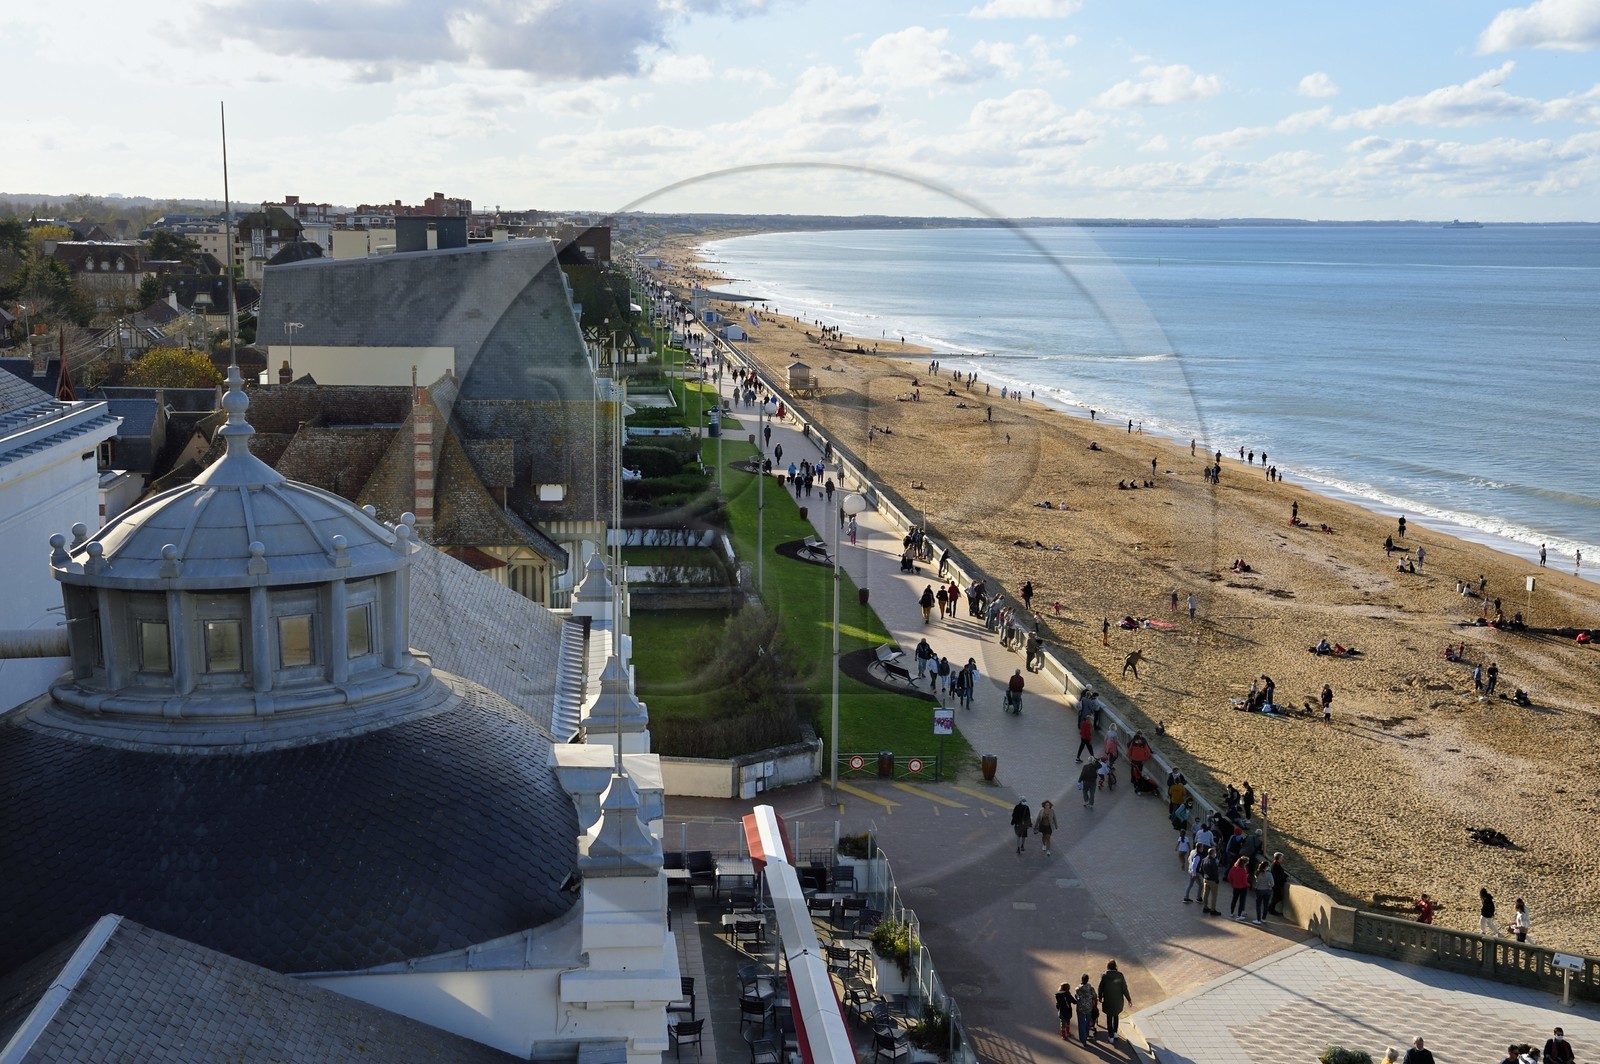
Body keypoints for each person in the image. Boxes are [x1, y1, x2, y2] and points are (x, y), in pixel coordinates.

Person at [1096, 961, 1131, 1042]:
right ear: (1115, 966)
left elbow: (1100, 988)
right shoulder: (1120, 975)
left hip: (1108, 1000)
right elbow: (1124, 988)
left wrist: (1100, 997)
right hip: (1118, 1000)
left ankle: (1110, 1036)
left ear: (1108, 966)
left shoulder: (1104, 976)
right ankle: (1115, 1033)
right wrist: (1129, 999)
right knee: (1116, 1015)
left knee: (1109, 1018)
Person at [1072, 975, 1097, 1043]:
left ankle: (1083, 1040)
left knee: (1081, 1023)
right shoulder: (1091, 988)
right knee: (1087, 1022)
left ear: (1081, 980)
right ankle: (1087, 1034)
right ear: (1088, 980)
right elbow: (1095, 996)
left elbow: (1076, 997)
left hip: (1080, 1008)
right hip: (1089, 1008)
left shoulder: (1078, 989)